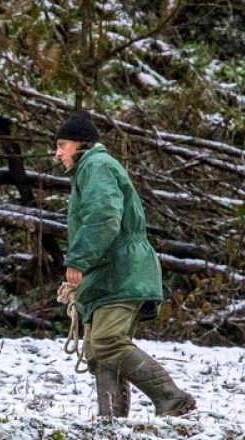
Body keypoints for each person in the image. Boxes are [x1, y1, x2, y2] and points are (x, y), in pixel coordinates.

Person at [56, 110, 196, 418]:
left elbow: (105, 216)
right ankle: (111, 421)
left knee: (107, 340)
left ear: (80, 144)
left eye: (62, 145)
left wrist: (78, 258)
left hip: (121, 272)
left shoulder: (96, 166)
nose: (58, 153)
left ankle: (172, 399)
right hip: (111, 273)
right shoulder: (92, 168)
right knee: (98, 350)